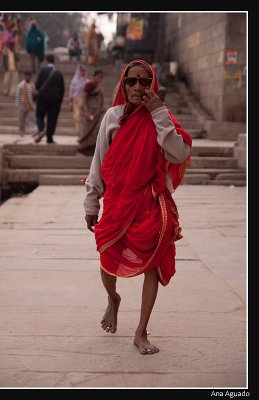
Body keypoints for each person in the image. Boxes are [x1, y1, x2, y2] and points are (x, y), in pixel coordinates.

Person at [83, 59, 192, 355]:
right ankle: (113, 299)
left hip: (149, 202)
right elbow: (100, 161)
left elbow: (180, 152)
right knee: (106, 256)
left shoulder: (162, 116)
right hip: (118, 202)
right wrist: (92, 200)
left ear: (153, 85)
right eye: (132, 81)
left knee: (153, 265)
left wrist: (157, 112)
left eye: (146, 81)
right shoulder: (112, 116)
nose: (139, 87)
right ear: (123, 84)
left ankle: (141, 331)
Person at [34, 54, 65, 144]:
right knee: (52, 118)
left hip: (43, 97)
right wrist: (60, 101)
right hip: (55, 98)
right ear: (54, 61)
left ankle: (41, 129)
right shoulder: (58, 73)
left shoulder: (42, 71)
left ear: (46, 61)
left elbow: (37, 85)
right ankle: (49, 138)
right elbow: (62, 89)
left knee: (39, 115)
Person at [76, 69, 105, 155]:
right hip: (89, 112)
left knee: (96, 131)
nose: (100, 79)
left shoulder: (98, 86)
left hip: (97, 113)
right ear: (94, 76)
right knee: (87, 131)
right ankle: (83, 149)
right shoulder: (90, 85)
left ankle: (92, 149)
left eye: (101, 77)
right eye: (98, 77)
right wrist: (86, 113)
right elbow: (83, 98)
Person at [15, 70, 37, 136]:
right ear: (24, 76)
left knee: (32, 118)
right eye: (27, 76)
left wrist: (34, 104)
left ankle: (34, 131)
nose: (28, 77)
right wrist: (18, 105)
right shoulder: (20, 85)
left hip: (31, 105)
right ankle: (21, 132)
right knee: (21, 119)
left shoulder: (32, 84)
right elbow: (17, 95)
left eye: (29, 76)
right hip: (22, 104)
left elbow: (34, 95)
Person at [69, 64, 87, 135]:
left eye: (83, 71)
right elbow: (71, 90)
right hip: (76, 100)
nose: (82, 72)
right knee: (77, 115)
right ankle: (78, 130)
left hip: (83, 99)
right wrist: (70, 99)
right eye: (81, 70)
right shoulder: (74, 80)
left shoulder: (85, 80)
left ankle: (82, 129)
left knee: (82, 115)